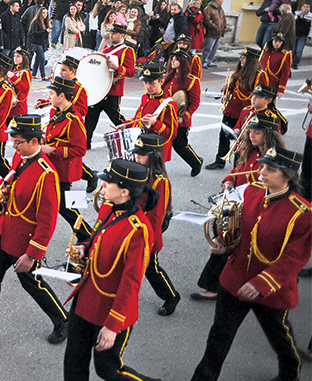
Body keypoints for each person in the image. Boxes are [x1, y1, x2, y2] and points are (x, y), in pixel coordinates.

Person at [190, 147, 311, 381]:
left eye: (270, 169)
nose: (261, 172)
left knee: (279, 337)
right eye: (263, 166)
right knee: (219, 336)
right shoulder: (253, 192)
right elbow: (241, 232)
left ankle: (289, 374)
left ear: (287, 176)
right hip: (234, 280)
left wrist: (260, 284)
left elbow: (294, 259)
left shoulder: (302, 213)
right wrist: (225, 244)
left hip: (270, 291)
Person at [63, 158, 161, 381]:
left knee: (108, 369)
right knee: (73, 362)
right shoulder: (109, 207)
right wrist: (84, 247)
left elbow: (131, 282)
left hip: (110, 309)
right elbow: (99, 235)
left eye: (108, 183)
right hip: (86, 299)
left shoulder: (140, 229)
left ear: (125, 191)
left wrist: (113, 326)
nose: (103, 186)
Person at [0, 114, 68, 345]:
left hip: (23, 242)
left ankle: (62, 321)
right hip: (3, 233)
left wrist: (33, 253)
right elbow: (8, 180)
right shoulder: (21, 159)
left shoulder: (47, 175)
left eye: (18, 142)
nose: (13, 146)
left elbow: (47, 221)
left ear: (34, 141)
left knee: (32, 284)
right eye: (13, 141)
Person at [194, 111, 285, 301]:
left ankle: (218, 286)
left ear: (267, 133)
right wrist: (228, 180)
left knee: (233, 243)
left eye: (256, 132)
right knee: (228, 242)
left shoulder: (274, 157)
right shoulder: (249, 149)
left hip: (256, 206)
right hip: (239, 202)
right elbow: (238, 169)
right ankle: (217, 284)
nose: (251, 135)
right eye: (250, 131)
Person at [128, 134, 180, 316]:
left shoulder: (159, 181)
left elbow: (156, 217)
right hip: (131, 225)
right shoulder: (137, 171)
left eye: (142, 155)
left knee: (151, 267)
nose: (137, 157)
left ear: (153, 156)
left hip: (147, 230)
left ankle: (171, 296)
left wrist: (152, 243)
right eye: (137, 154)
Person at [42, 77, 92, 242]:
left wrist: (54, 150)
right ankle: (86, 234)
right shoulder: (56, 113)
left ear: (62, 96)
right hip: (53, 166)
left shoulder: (74, 120)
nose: (49, 97)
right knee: (64, 206)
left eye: (51, 93)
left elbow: (80, 149)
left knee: (66, 207)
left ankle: (87, 235)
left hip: (64, 170)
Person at [206, 47, 261, 170]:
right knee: (223, 136)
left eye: (244, 57)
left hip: (244, 112)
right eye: (241, 56)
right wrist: (227, 88)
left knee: (241, 141)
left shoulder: (258, 75)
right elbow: (234, 89)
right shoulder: (239, 71)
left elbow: (258, 95)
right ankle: (220, 160)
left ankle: (239, 166)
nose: (241, 59)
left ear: (251, 60)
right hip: (231, 109)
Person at [84, 23, 136, 149]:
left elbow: (131, 72)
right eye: (111, 33)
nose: (111, 35)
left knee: (116, 118)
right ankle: (86, 143)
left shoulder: (127, 51)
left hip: (113, 91)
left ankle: (131, 139)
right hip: (99, 90)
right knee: (90, 117)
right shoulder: (107, 47)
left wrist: (117, 67)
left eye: (114, 33)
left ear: (122, 35)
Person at [123, 63, 178, 162]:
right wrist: (125, 125)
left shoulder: (169, 105)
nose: (147, 86)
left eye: (151, 83)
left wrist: (155, 123)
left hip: (157, 150)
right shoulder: (145, 97)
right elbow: (138, 118)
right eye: (145, 83)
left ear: (161, 81)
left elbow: (172, 134)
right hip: (142, 144)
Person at [163, 50, 203, 175]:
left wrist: (184, 117)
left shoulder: (191, 80)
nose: (172, 61)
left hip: (180, 119)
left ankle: (196, 162)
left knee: (180, 145)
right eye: (172, 59)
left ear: (183, 62)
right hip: (166, 116)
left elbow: (194, 103)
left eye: (176, 59)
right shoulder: (169, 76)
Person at [260, 32, 292, 98]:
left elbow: (285, 73)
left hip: (273, 84)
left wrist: (281, 89)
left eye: (280, 42)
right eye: (276, 41)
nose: (277, 44)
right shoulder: (266, 51)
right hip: (261, 83)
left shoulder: (285, 55)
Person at [7, 47, 32, 119]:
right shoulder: (14, 70)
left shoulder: (25, 72)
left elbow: (25, 89)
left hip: (19, 108)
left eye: (18, 56)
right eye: (14, 56)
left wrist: (14, 78)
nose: (15, 58)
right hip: (10, 106)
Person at [202, 0, 226, 68]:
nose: (223, 1)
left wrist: (224, 26)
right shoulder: (208, 9)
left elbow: (223, 18)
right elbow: (207, 21)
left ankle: (210, 61)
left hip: (219, 33)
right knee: (208, 48)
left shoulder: (220, 9)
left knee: (214, 49)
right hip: (211, 33)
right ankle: (204, 62)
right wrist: (215, 27)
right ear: (217, 0)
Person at [28, 6, 51, 79]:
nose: (45, 14)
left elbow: (46, 36)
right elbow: (34, 33)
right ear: (40, 13)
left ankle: (34, 74)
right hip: (36, 43)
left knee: (38, 59)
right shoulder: (36, 22)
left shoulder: (45, 22)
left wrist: (47, 45)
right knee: (42, 59)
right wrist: (44, 31)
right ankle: (43, 75)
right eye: (43, 13)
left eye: (46, 13)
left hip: (42, 43)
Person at [294, 2, 311, 68]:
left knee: (299, 50)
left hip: (303, 36)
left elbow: (311, 27)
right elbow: (293, 21)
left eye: (307, 7)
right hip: (295, 34)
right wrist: (299, 15)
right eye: (304, 6)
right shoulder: (296, 14)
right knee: (293, 49)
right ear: (301, 7)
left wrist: (310, 36)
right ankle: (291, 62)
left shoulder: (310, 17)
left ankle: (296, 63)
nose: (305, 8)